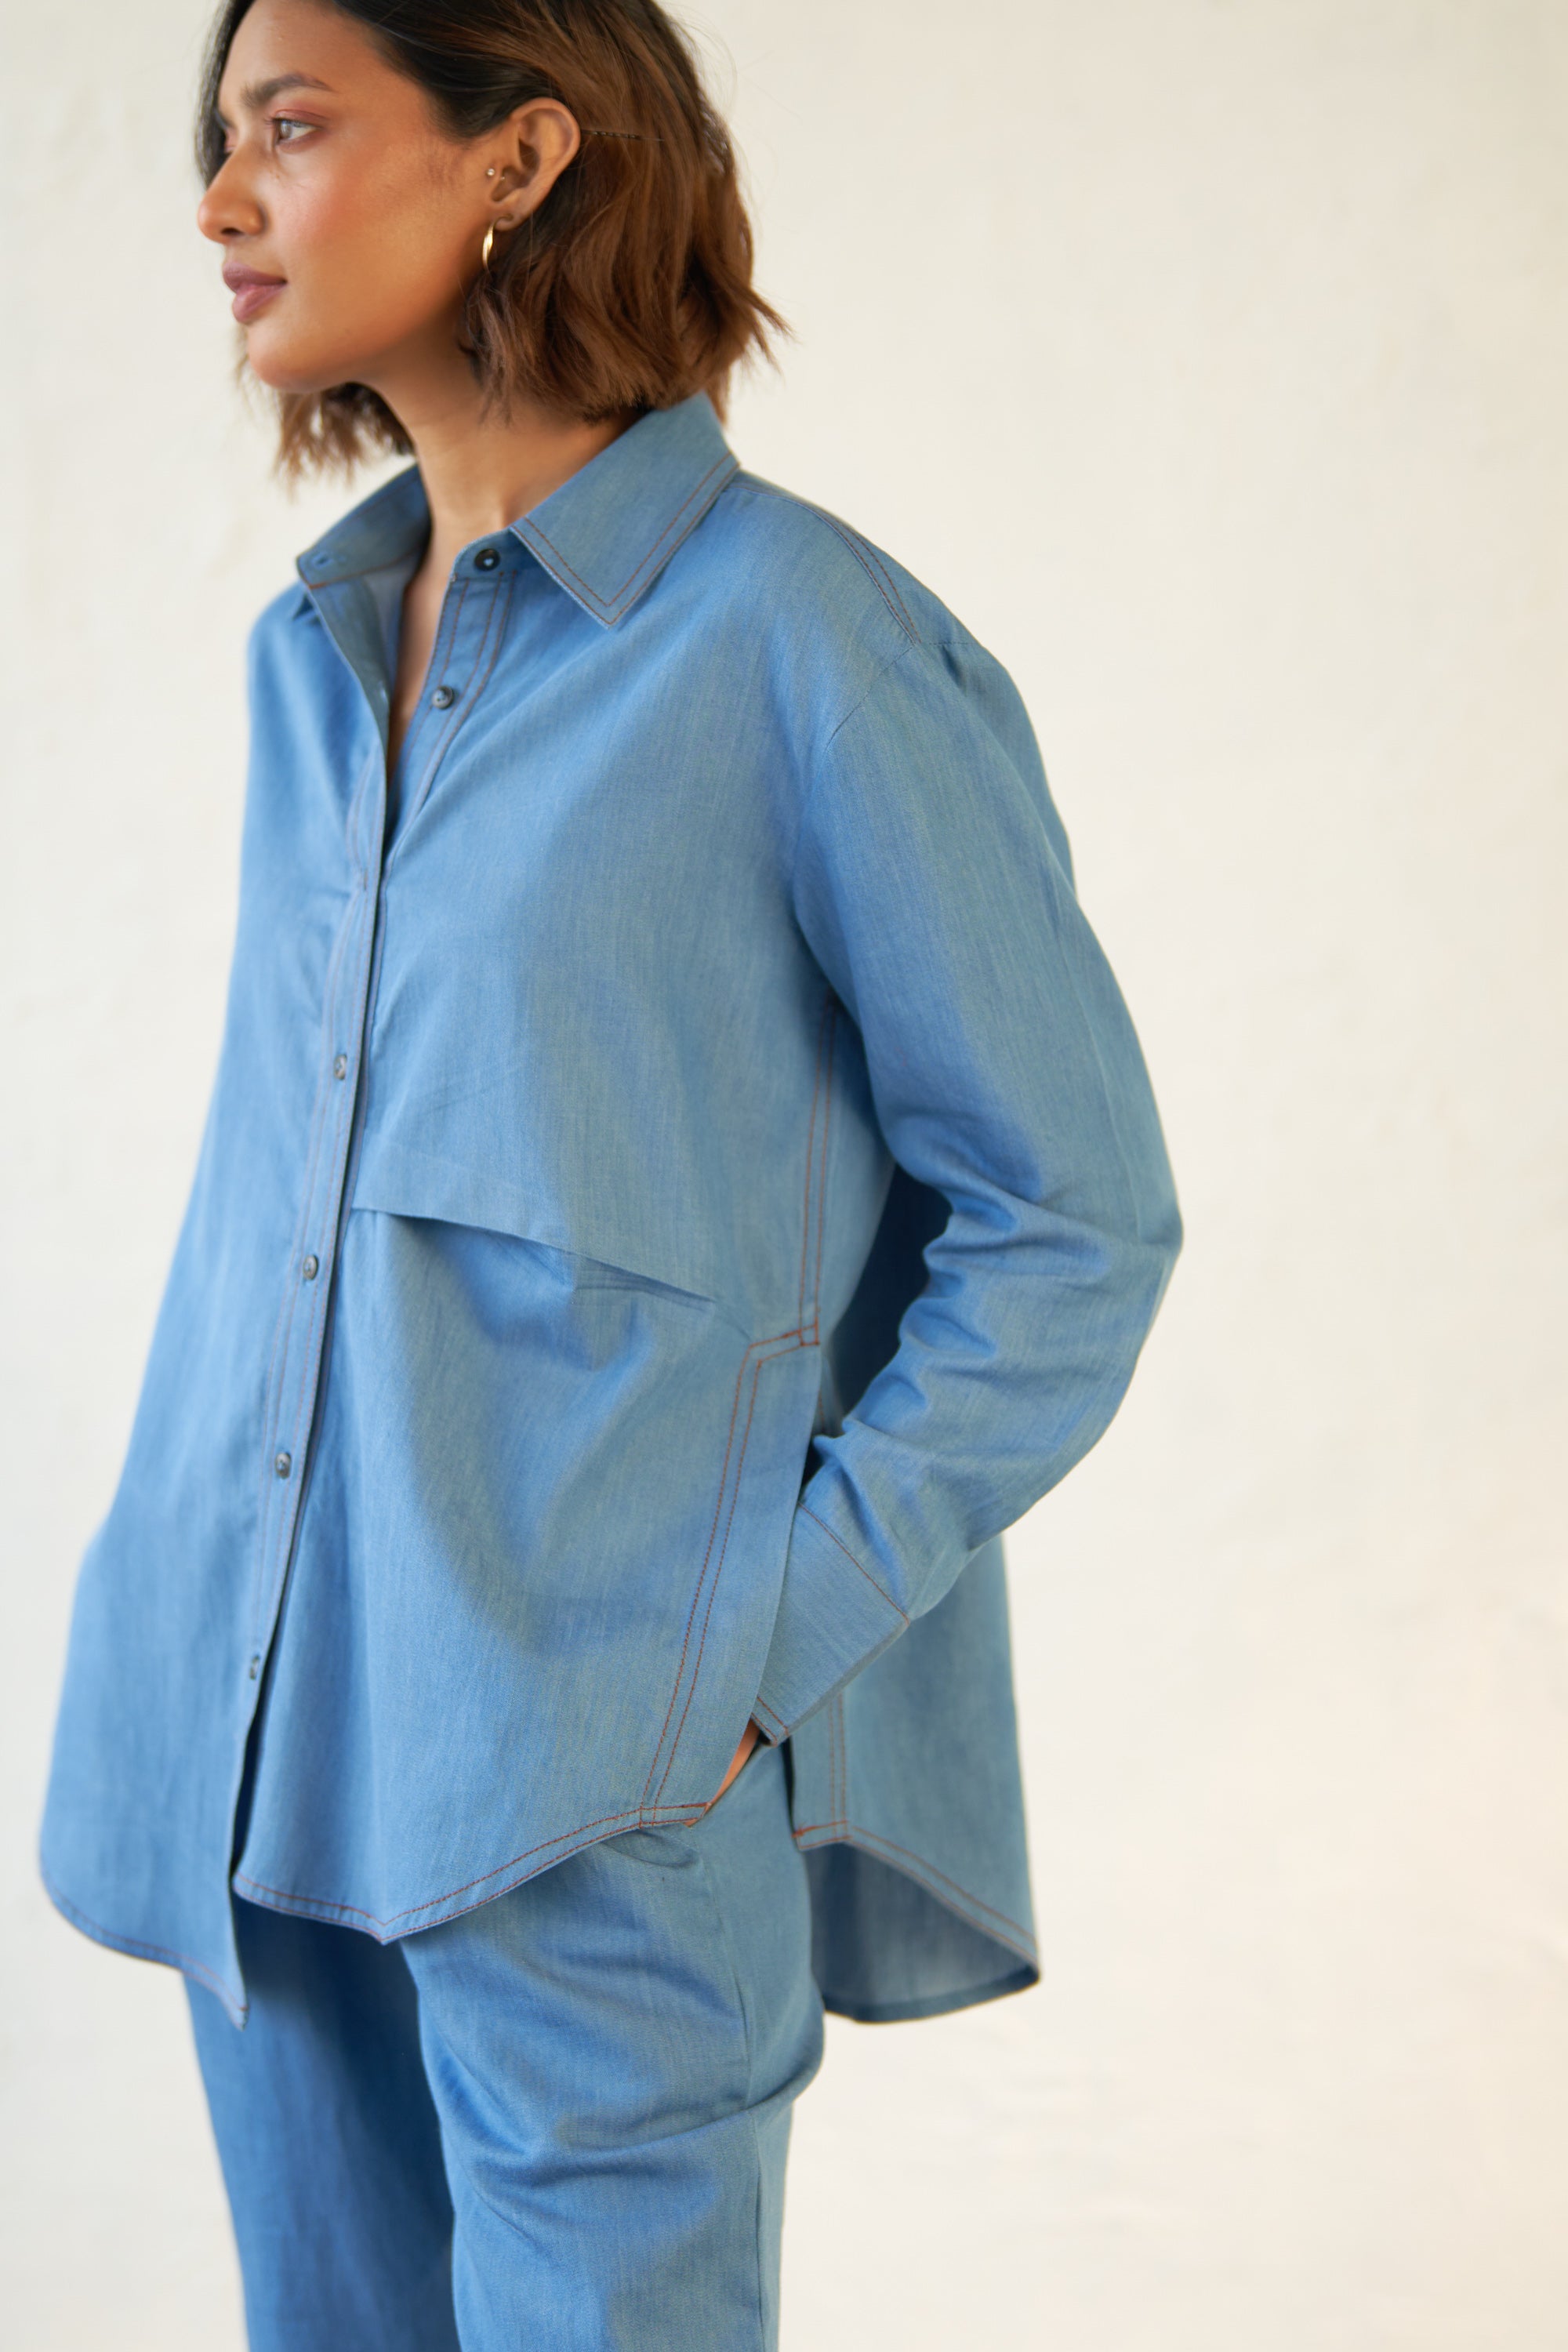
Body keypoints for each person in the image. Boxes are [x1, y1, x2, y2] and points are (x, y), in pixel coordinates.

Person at [38, 1, 1183, 2345]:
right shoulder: (309, 655)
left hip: (587, 1792)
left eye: (288, 128)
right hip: (248, 1753)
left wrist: (748, 1649)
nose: (220, 201)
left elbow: (1072, 1220)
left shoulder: (802, 645)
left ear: (520, 155)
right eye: (217, 141)